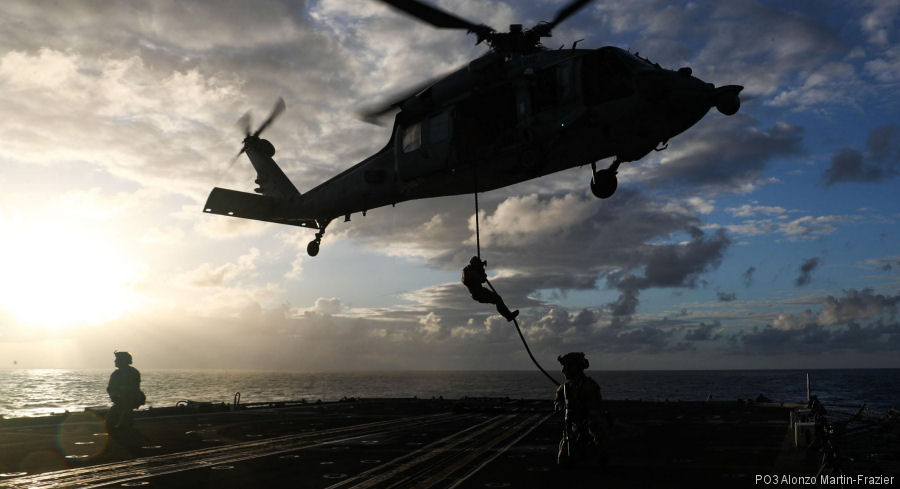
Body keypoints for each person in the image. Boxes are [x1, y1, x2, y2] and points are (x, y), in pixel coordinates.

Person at [554, 352, 608, 469]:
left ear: (575, 368)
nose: (563, 371)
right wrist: (560, 405)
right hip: (572, 427)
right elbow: (558, 401)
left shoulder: (590, 387)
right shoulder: (565, 388)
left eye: (566, 367)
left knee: (598, 435)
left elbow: (595, 411)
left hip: (588, 426)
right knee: (563, 458)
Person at [461, 256, 519, 321]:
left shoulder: (470, 270)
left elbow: (483, 279)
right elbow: (482, 279)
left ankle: (508, 315)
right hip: (478, 293)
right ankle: (508, 316)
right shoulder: (468, 272)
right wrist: (480, 269)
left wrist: (481, 269)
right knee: (497, 299)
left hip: (481, 291)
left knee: (498, 298)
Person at [106, 351, 144, 432]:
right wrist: (114, 395)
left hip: (131, 398)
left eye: (117, 359)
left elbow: (135, 388)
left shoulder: (132, 372)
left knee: (126, 407)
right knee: (111, 421)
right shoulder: (116, 374)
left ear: (123, 360)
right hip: (119, 398)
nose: (115, 361)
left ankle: (124, 424)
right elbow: (110, 388)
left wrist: (121, 392)